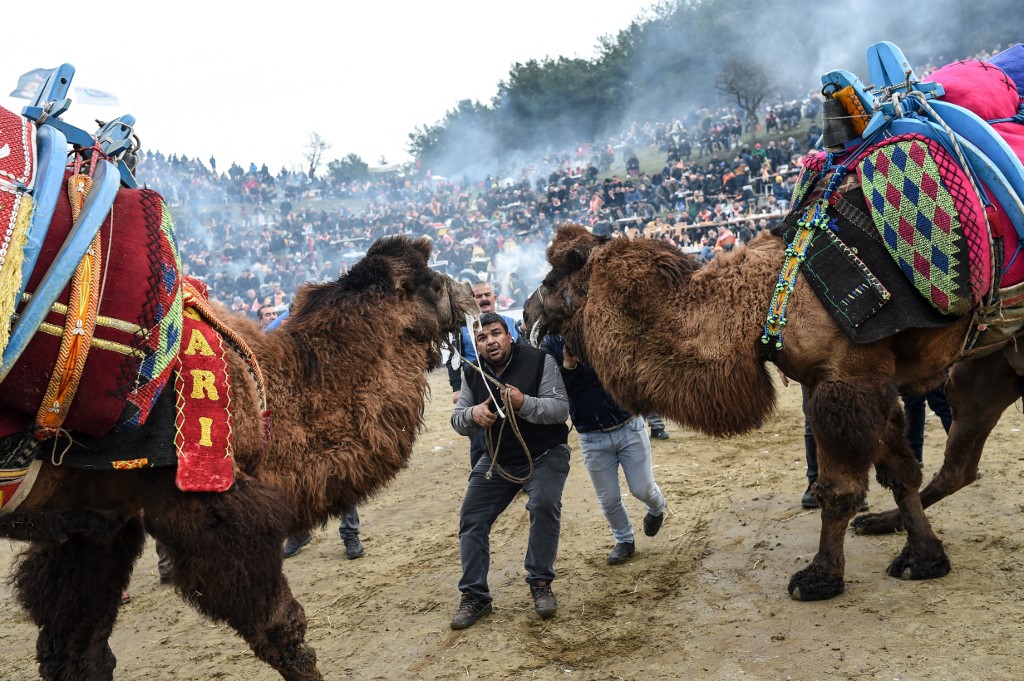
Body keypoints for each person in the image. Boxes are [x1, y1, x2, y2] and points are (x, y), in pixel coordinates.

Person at [449, 312, 571, 630]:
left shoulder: (540, 361)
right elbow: (457, 419)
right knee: (472, 517)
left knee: (543, 504)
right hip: (498, 459)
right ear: (476, 345)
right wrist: (473, 415)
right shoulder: (472, 372)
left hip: (546, 453)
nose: (490, 341)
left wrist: (524, 403)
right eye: (482, 337)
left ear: (509, 336)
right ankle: (475, 595)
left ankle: (540, 582)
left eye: (495, 333)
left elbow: (560, 409)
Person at [541, 334, 666, 565]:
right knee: (608, 499)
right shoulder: (550, 344)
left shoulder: (600, 328)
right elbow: (553, 392)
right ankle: (624, 540)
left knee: (642, 489)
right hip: (591, 435)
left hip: (628, 425)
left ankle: (657, 507)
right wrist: (568, 366)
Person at [447, 281, 520, 469]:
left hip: (510, 387)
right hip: (478, 389)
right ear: (472, 300)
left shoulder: (510, 323)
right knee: (481, 438)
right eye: (478, 296)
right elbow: (453, 359)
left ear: (494, 298)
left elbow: (525, 353)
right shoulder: (463, 329)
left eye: (487, 295)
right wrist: (457, 388)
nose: (484, 299)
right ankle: (483, 475)